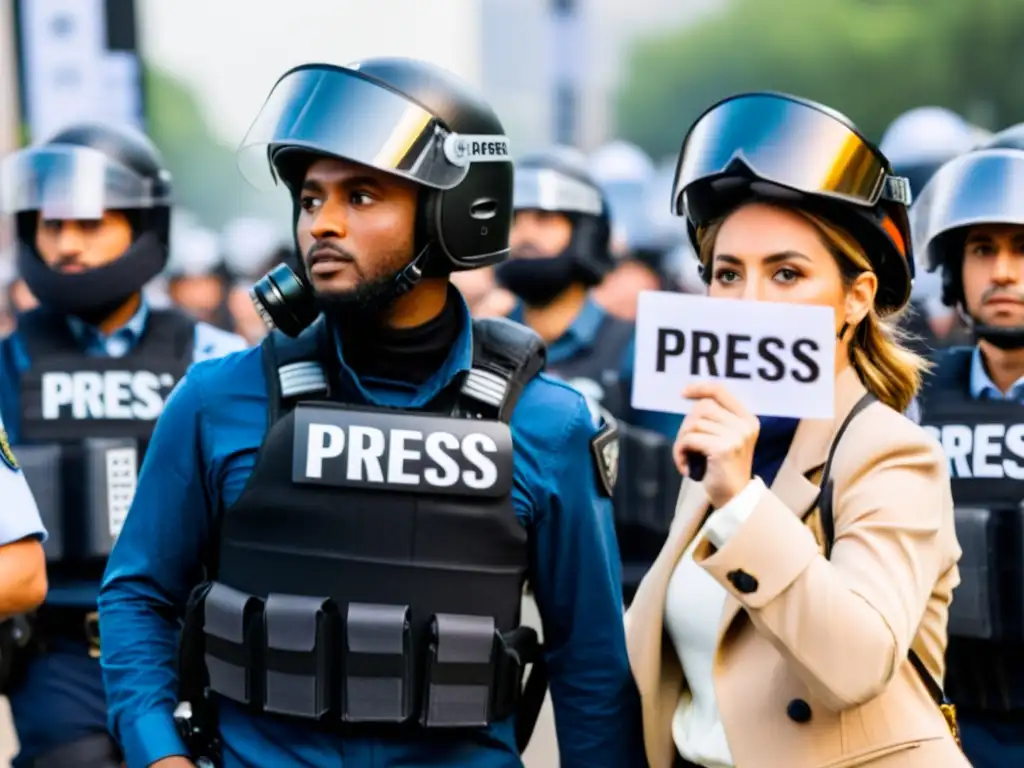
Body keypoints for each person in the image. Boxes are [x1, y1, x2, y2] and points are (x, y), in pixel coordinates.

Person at [98, 58, 643, 768]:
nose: (322, 223)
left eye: (360, 196)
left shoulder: (550, 425)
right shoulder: (214, 400)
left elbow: (591, 666)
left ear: (451, 210)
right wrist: (158, 754)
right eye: (311, 198)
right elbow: (138, 595)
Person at [625, 92, 965, 768]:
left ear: (856, 299)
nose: (749, 302)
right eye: (728, 274)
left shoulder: (894, 454)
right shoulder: (720, 450)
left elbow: (854, 662)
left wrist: (743, 503)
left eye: (786, 273)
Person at [0, 121, 247, 768]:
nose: (66, 244)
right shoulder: (5, 366)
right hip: (55, 658)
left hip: (192, 648)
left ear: (143, 225)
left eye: (90, 224)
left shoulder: (216, 363)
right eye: (51, 226)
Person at [500, 146, 680, 600]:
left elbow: (680, 484)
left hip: (617, 589)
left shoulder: (640, 348)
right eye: (515, 219)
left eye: (544, 219)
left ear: (585, 233)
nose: (524, 233)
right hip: (501, 586)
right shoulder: (478, 344)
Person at [910, 139, 1024, 767]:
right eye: (983, 249)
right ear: (955, 270)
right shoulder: (910, 401)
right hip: (942, 724)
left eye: (1022, 249)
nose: (1003, 272)